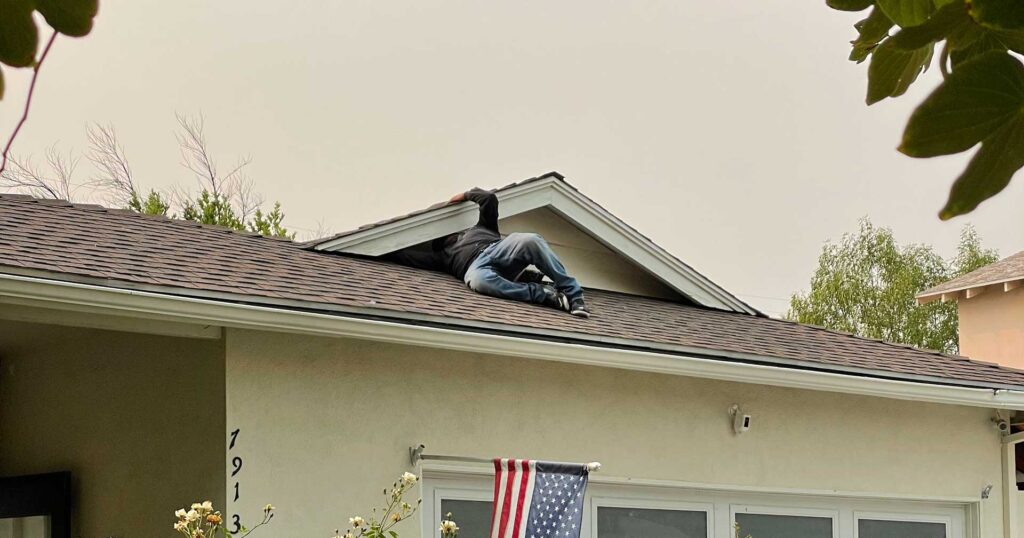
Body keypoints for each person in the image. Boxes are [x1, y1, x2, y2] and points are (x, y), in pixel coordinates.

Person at [386, 188, 591, 318]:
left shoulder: (482, 227)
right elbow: (404, 255)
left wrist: (464, 195)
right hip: (476, 268)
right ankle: (545, 295)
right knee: (478, 280)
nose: (448, 236)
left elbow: (489, 199)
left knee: (531, 240)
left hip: (497, 249)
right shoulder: (442, 257)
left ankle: (574, 295)